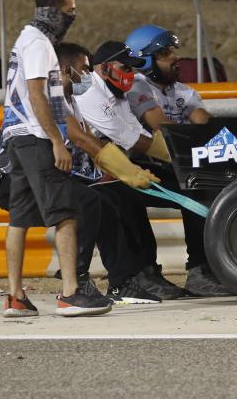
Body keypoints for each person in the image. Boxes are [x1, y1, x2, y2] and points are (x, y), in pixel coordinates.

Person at [75, 40, 225, 298]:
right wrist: (183, 154)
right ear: (103, 69)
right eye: (125, 68)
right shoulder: (91, 95)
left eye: (134, 69)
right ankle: (143, 274)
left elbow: (140, 135)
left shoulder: (118, 95)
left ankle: (201, 270)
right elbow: (132, 139)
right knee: (125, 196)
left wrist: (187, 160)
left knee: (194, 182)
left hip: (118, 165)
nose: (131, 75)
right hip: (94, 175)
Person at [0, 0, 111, 317]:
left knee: (19, 218)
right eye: (69, 11)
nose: (72, 18)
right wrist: (57, 141)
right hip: (36, 137)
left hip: (16, 136)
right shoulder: (39, 44)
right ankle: (70, 294)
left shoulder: (26, 40)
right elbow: (38, 95)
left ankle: (16, 298)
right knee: (65, 214)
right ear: (51, 10)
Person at [123, 25, 230, 297]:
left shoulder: (182, 90)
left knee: (204, 187)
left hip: (172, 165)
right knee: (193, 190)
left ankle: (207, 269)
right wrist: (195, 132)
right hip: (136, 167)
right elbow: (160, 126)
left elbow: (203, 121)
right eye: (165, 53)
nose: (175, 58)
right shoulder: (137, 86)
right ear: (145, 60)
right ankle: (182, 272)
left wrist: (202, 128)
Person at [55, 42, 163, 304]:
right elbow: (84, 140)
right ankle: (77, 281)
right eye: (84, 69)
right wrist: (126, 171)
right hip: (25, 176)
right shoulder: (54, 99)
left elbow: (93, 143)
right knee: (95, 202)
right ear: (66, 71)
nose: (89, 75)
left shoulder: (74, 101)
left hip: (65, 174)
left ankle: (122, 283)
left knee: (107, 203)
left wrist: (121, 170)